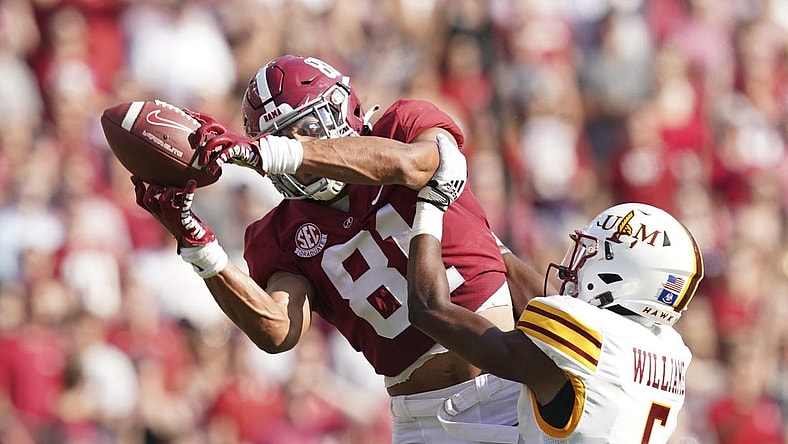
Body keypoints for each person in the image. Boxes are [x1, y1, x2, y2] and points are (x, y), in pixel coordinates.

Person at [132, 54, 546, 443]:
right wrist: (199, 246)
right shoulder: (279, 232)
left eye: (304, 130)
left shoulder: (404, 125)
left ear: (340, 110)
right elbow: (279, 330)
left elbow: (414, 164)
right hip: (425, 418)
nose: (296, 153)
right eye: (279, 139)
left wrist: (274, 151)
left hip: (513, 378)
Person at [406, 140, 705, 443]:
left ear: (620, 275)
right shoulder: (666, 347)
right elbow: (546, 299)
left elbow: (428, 309)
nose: (575, 260)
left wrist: (432, 204)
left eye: (591, 252)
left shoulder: (591, 347)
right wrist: (472, 221)